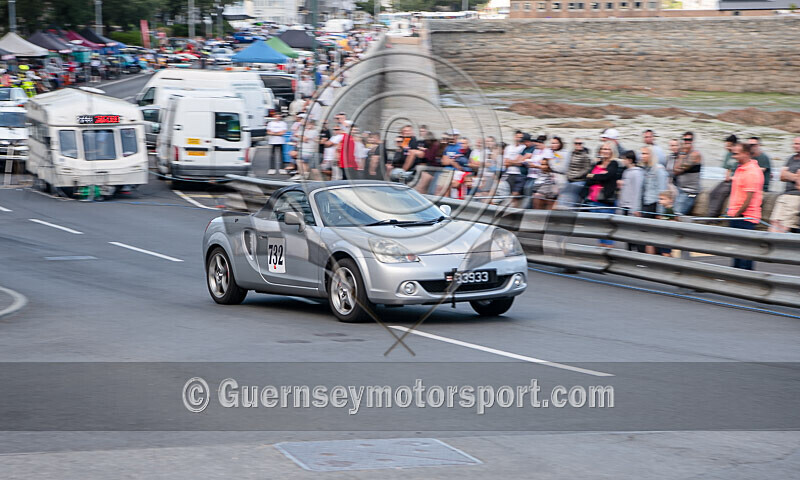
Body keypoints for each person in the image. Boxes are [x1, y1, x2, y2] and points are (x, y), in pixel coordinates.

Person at [727, 142, 764, 270]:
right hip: (737, 215)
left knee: (744, 255)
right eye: (733, 153)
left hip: (745, 217)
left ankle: (746, 283)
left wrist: (736, 214)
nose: (734, 156)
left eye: (737, 154)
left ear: (746, 154)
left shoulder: (751, 172)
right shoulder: (741, 168)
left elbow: (748, 198)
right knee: (737, 253)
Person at [583, 142, 620, 246]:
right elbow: (587, 180)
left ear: (612, 151)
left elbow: (607, 177)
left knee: (607, 231)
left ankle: (609, 255)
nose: (605, 151)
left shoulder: (614, 163)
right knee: (599, 232)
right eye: (603, 149)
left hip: (605, 201)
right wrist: (599, 176)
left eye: (607, 149)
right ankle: (602, 254)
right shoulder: (597, 164)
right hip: (593, 201)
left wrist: (594, 176)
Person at [769, 136, 800, 233]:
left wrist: (788, 175)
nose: (796, 146)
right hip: (785, 194)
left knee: (784, 224)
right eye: (795, 143)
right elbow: (781, 176)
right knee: (774, 220)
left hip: (795, 196)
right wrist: (795, 176)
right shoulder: (791, 158)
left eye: (798, 144)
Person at [707, 134, 739, 217]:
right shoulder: (728, 154)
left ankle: (713, 216)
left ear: (734, 145)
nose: (726, 148)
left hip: (737, 181)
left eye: (728, 146)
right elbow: (728, 168)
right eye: (726, 146)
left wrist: (733, 178)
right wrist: (727, 177)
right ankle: (710, 214)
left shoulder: (739, 154)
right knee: (712, 192)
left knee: (721, 193)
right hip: (729, 180)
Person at [673, 132, 702, 215]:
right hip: (680, 190)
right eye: (685, 140)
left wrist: (682, 155)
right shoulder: (682, 154)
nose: (687, 142)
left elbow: (680, 169)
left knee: (678, 214)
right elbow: (675, 170)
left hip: (690, 192)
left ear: (693, 141)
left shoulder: (696, 155)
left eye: (689, 140)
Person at [559, 138, 592, 209]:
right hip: (569, 179)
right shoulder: (570, 154)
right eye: (576, 143)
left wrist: (575, 176)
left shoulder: (585, 156)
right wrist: (568, 174)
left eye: (580, 143)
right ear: (573, 144)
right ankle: (561, 209)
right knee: (563, 194)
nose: (578, 145)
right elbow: (567, 165)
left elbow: (587, 169)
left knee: (571, 195)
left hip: (579, 180)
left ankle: (570, 209)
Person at [503, 132, 528, 208]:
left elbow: (520, 163)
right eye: (517, 137)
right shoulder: (509, 147)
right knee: (510, 194)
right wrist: (515, 162)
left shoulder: (524, 147)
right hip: (509, 173)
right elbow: (506, 162)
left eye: (521, 137)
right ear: (514, 137)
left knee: (516, 194)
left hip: (519, 173)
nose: (519, 139)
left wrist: (511, 161)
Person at [618, 150, 644, 216]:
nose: (622, 161)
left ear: (630, 160)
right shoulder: (626, 172)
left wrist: (635, 208)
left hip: (631, 206)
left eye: (624, 159)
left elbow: (637, 190)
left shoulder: (637, 173)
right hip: (624, 205)